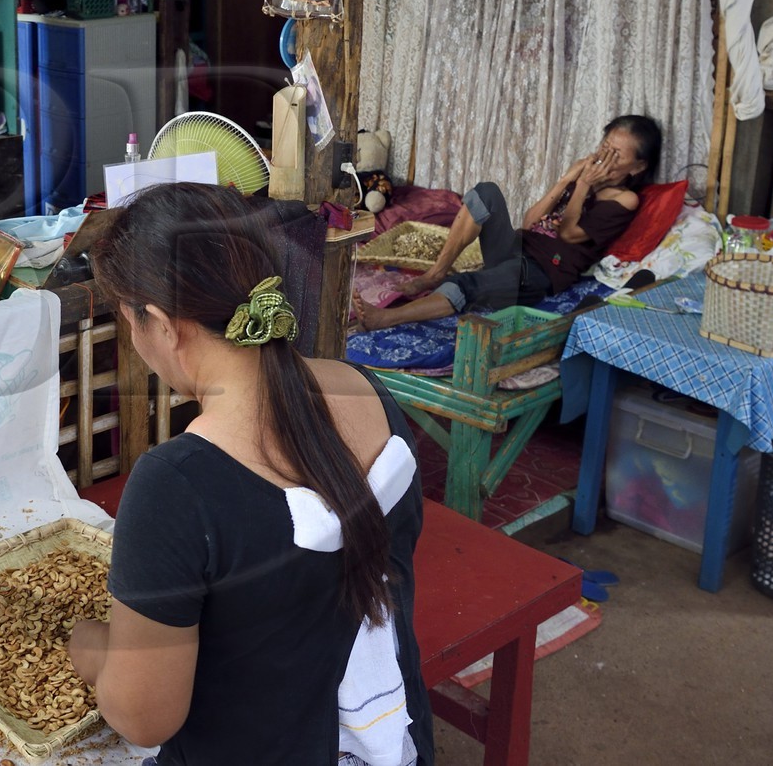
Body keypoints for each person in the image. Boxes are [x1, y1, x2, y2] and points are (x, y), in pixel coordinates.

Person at [72, 183, 432, 765]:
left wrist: (91, 648)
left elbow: (144, 717)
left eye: (128, 319)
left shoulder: (178, 484)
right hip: (391, 744)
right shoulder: (368, 391)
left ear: (162, 323)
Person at [357, 115, 663, 331]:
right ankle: (435, 273)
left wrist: (583, 183)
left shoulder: (624, 199)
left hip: (542, 271)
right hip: (517, 247)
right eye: (605, 148)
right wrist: (566, 179)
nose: (605, 159)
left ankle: (384, 319)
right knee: (485, 192)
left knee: (467, 284)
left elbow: (569, 234)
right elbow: (531, 221)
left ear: (638, 166)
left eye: (617, 155)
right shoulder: (583, 179)